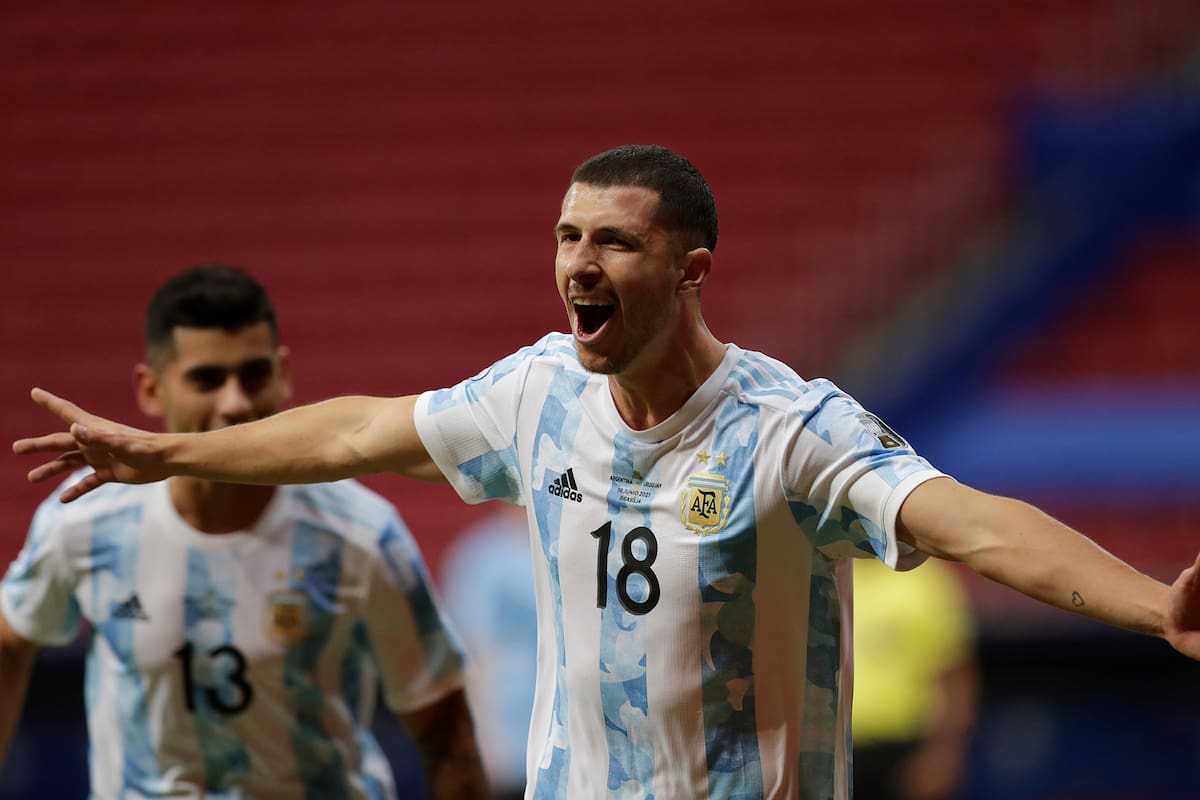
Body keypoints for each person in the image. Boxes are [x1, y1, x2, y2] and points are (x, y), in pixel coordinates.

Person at [12, 146, 1200, 800]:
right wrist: (164, 452)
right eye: (567, 237)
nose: (579, 261)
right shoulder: (541, 392)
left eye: (613, 241)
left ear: (691, 271)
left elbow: (975, 521)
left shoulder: (790, 428)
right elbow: (350, 432)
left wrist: (1154, 604)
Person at [0, 265, 488, 799]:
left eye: (253, 375)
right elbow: (10, 640)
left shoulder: (360, 534)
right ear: (149, 389)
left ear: (283, 374)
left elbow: (445, 729)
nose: (235, 402)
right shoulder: (85, 521)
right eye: (207, 379)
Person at [851, 558, 978, 800]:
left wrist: (943, 754)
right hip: (829, 751)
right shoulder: (820, 576)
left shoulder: (927, 582)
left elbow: (956, 677)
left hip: (905, 752)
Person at [440, 505, 538, 800]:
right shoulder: (482, 557)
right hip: (510, 749)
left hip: (570, 749)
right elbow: (470, 659)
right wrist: (481, 745)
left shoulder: (577, 549)